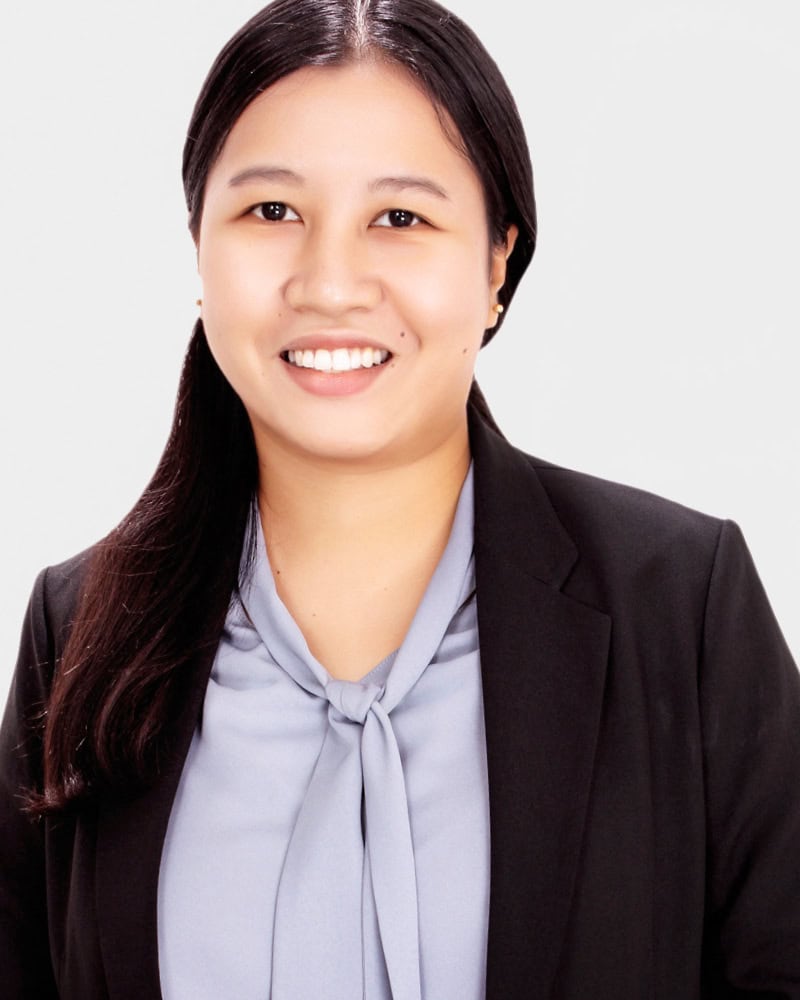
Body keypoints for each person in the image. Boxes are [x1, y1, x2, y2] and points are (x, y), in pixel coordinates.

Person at [1, 0, 798, 997]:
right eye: (271, 211)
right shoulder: (78, 632)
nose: (331, 284)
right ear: (198, 249)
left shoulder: (679, 610)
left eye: (400, 218)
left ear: (497, 260)